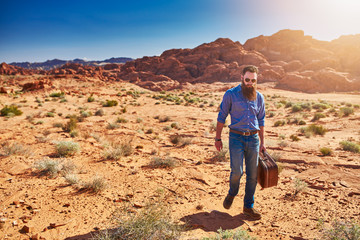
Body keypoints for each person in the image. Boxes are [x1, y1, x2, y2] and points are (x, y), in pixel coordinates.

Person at [215, 65, 266, 219]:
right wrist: (218, 138)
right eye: (247, 79)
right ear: (242, 78)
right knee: (237, 171)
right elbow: (221, 116)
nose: (250, 83)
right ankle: (232, 193)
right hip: (236, 138)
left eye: (253, 80)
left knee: (252, 175)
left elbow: (261, 120)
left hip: (253, 139)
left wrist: (262, 142)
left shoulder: (259, 97)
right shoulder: (231, 94)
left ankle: (248, 206)